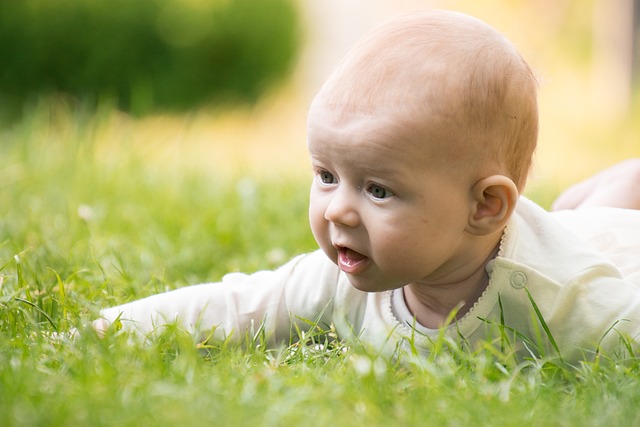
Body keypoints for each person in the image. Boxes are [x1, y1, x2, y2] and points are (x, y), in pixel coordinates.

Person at [95, 10, 640, 362]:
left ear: (484, 207)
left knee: (608, 215)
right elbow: (241, 305)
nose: (339, 213)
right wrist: (107, 329)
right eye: (327, 177)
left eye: (378, 190)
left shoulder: (573, 302)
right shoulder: (341, 272)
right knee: (578, 212)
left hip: (615, 248)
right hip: (571, 230)